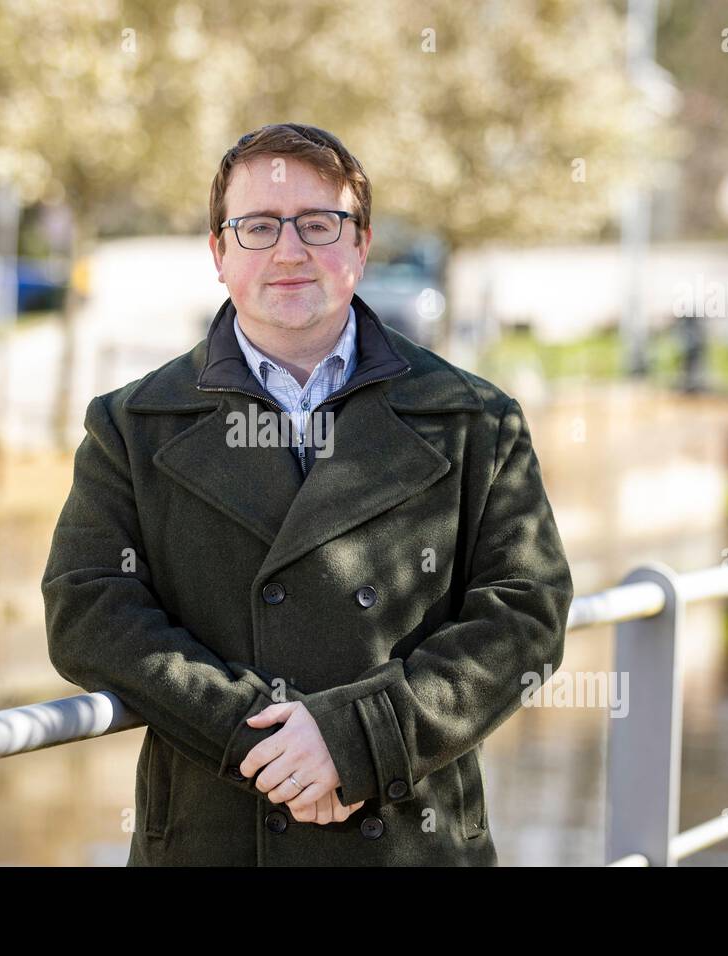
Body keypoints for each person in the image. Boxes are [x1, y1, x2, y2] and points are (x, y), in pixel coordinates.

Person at [41, 122, 574, 866]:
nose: (288, 251)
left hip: (415, 838)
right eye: (257, 226)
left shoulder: (472, 418)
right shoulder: (132, 425)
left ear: (360, 245)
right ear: (219, 254)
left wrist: (360, 740)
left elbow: (526, 613)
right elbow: (88, 610)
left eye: (318, 225)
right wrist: (262, 737)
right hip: (216, 836)